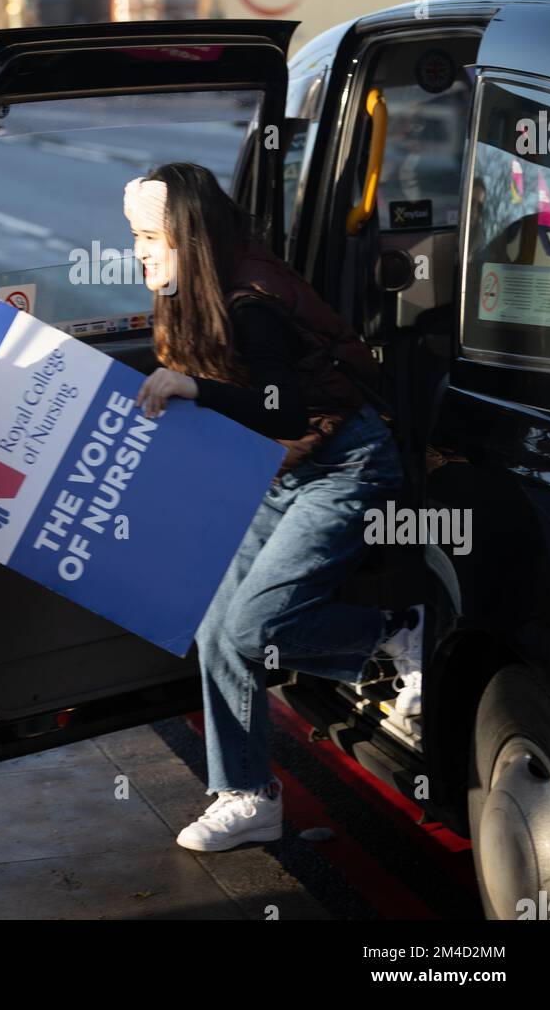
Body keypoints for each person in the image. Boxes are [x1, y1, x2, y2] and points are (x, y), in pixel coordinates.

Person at [123, 162, 424, 853]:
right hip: (278, 470)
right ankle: (247, 795)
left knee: (254, 624)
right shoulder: (198, 286)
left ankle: (394, 632)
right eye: (134, 235)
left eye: (148, 236)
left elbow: (281, 408)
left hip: (343, 466)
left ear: (188, 235)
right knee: (214, 625)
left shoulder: (250, 299)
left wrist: (193, 389)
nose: (136, 251)